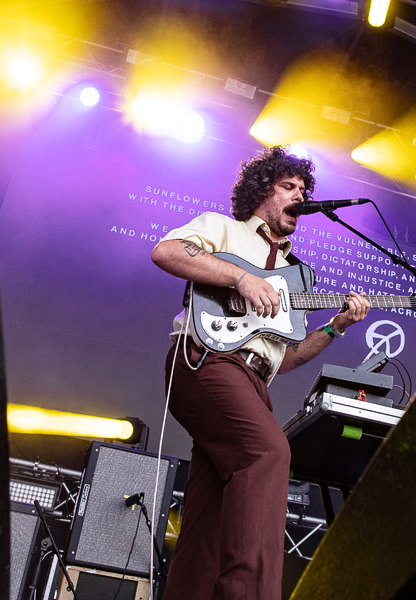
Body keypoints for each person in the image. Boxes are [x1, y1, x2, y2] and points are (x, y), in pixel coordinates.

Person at [151, 146, 370, 600]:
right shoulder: (224, 229)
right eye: (289, 187)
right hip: (207, 360)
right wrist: (240, 278)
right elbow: (166, 251)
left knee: (212, 509)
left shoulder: (296, 274)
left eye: (304, 190)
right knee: (268, 454)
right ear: (260, 193)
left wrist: (336, 327)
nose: (300, 196)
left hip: (253, 380)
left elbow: (285, 359)